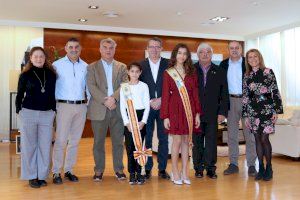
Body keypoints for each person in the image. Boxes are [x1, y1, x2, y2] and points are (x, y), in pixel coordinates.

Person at [87, 38, 128, 181]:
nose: (108, 50)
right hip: (99, 109)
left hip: (117, 109)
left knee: (118, 142)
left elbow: (125, 84)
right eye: (105, 47)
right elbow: (91, 86)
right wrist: (106, 100)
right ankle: (98, 170)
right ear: (100, 49)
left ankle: (119, 169)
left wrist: (114, 98)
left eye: (111, 47)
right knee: (98, 142)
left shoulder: (122, 67)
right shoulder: (92, 67)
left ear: (114, 49)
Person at [160, 43, 201, 185]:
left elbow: (195, 94)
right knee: (176, 141)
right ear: (175, 55)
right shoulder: (168, 72)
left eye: (184, 53)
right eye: (179, 53)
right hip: (175, 109)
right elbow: (165, 95)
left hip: (189, 109)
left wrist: (197, 114)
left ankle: (185, 172)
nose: (182, 56)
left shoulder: (192, 72)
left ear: (187, 56)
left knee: (186, 141)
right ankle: (175, 171)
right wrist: (165, 116)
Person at [16, 47, 56, 188]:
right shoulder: (25, 75)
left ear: (45, 58)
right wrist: (19, 110)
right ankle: (31, 176)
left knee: (45, 146)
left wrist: (53, 110)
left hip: (47, 114)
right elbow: (19, 94)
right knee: (29, 146)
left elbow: (52, 94)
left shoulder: (51, 74)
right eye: (36, 56)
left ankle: (42, 176)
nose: (39, 59)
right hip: (29, 113)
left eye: (41, 56)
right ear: (31, 59)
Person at [242, 49, 283, 181]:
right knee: (257, 139)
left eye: (255, 56)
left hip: (267, 109)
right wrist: (246, 115)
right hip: (253, 111)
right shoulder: (247, 75)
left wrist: (276, 110)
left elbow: (275, 90)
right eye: (250, 57)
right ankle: (261, 168)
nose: (253, 59)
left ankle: (269, 167)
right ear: (247, 60)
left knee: (265, 139)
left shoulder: (268, 72)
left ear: (259, 58)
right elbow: (245, 96)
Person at [52, 38, 88, 184]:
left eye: (76, 47)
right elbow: (51, 86)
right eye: (71, 47)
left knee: (74, 141)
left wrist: (89, 103)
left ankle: (68, 170)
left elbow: (88, 87)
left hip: (81, 107)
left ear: (80, 49)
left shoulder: (85, 66)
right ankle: (56, 172)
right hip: (63, 106)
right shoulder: (56, 65)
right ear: (66, 48)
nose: (74, 49)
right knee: (60, 140)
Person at [220, 41, 257, 176]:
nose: (234, 50)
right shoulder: (224, 64)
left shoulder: (247, 63)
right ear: (228, 49)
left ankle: (252, 164)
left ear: (241, 49)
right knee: (232, 135)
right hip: (230, 101)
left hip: (246, 101)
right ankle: (234, 163)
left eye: (237, 48)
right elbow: (221, 87)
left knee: (250, 134)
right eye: (232, 48)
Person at [193, 43, 229, 179]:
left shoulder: (219, 70)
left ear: (211, 54)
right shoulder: (191, 70)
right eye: (202, 52)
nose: (205, 54)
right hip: (195, 114)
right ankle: (198, 168)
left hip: (213, 113)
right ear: (198, 55)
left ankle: (210, 168)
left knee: (211, 142)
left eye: (208, 52)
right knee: (197, 142)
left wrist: (222, 113)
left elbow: (224, 94)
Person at [140, 37, 170, 179]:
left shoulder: (169, 64)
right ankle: (147, 168)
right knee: (148, 138)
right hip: (147, 108)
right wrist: (150, 100)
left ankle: (162, 169)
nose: (154, 49)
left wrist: (162, 99)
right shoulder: (141, 66)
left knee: (163, 139)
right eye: (151, 47)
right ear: (147, 48)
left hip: (164, 107)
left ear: (161, 48)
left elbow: (174, 87)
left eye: (157, 47)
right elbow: (137, 88)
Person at [120, 62, 150, 185]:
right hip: (129, 118)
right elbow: (122, 106)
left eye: (137, 71)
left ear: (140, 73)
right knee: (130, 147)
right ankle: (132, 173)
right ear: (128, 72)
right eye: (132, 71)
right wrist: (126, 123)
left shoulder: (144, 86)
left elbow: (147, 105)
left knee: (140, 147)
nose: (134, 74)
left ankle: (139, 172)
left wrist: (143, 121)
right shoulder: (124, 87)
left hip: (140, 117)